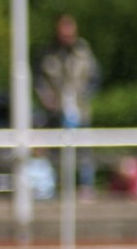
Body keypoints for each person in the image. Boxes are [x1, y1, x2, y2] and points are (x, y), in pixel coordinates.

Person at [36, 13, 101, 197]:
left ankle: (86, 186)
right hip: (55, 111)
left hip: (80, 111)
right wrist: (46, 97)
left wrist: (83, 96)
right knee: (55, 150)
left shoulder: (84, 52)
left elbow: (95, 78)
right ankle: (57, 187)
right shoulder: (48, 53)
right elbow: (39, 80)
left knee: (84, 148)